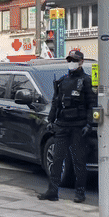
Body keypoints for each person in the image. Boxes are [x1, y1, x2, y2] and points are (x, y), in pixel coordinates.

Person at [38, 49, 96, 203]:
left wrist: (90, 124)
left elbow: (92, 104)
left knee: (78, 160)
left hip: (79, 125)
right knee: (57, 159)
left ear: (81, 62)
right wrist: (50, 120)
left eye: (74, 60)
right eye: (69, 60)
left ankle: (80, 192)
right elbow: (56, 103)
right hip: (62, 124)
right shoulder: (63, 81)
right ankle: (52, 191)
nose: (71, 63)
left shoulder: (86, 80)